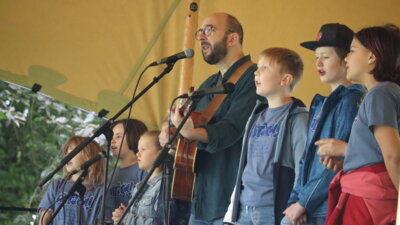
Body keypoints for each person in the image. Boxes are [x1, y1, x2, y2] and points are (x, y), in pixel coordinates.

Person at [170, 12, 259, 224]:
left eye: (209, 30)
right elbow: (188, 122)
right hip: (200, 198)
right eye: (199, 31)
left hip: (231, 202)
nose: (201, 36)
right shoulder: (209, 83)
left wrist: (193, 133)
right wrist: (171, 133)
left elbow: (233, 129)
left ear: (232, 38)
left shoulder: (253, 77)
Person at [281, 23, 365, 225]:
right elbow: (305, 158)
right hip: (307, 205)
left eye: (326, 57)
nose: (318, 63)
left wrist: (303, 203)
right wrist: (295, 200)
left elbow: (330, 163)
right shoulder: (321, 103)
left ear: (346, 59)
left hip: (324, 207)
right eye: (316, 57)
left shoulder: (350, 100)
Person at [318, 24, 400, 225]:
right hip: (368, 195)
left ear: (372, 57)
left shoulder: (379, 93)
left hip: (370, 200)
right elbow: (378, 152)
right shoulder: (383, 92)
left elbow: (393, 154)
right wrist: (352, 159)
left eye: (352, 50)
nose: (346, 57)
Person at [223, 47, 308, 225]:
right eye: (258, 67)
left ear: (285, 79)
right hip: (244, 208)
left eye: (265, 68)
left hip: (272, 210)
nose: (256, 72)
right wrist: (231, 212)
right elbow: (245, 167)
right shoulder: (255, 116)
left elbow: (303, 166)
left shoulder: (298, 118)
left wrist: (298, 204)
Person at [38, 136, 105, 225]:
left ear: (89, 156)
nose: (67, 156)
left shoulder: (101, 192)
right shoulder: (56, 186)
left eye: (73, 152)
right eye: (66, 152)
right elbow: (44, 219)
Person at [112, 131, 164, 225]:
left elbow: (160, 223)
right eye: (138, 149)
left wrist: (126, 218)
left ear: (160, 154)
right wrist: (122, 218)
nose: (137, 154)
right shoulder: (138, 186)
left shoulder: (163, 185)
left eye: (143, 149)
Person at [103, 119, 148, 224]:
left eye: (118, 136)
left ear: (135, 136)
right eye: (112, 137)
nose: (112, 141)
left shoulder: (143, 170)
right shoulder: (111, 175)